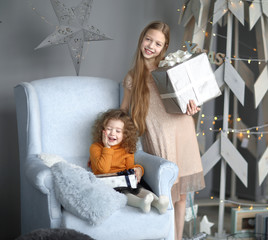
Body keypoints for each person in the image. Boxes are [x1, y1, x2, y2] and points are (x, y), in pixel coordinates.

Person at [120, 21, 205, 240]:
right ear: (141, 39)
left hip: (182, 130)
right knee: (165, 193)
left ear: (164, 48)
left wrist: (193, 106)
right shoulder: (132, 77)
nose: (151, 46)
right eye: (148, 39)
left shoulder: (169, 70)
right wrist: (114, 130)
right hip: (158, 136)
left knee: (182, 196)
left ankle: (176, 238)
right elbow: (123, 110)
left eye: (158, 43)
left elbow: (189, 98)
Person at [89, 109, 169, 214]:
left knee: (139, 188)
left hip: (124, 180)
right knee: (124, 192)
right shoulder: (95, 147)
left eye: (118, 131)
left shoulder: (126, 149)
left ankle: (158, 203)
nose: (112, 133)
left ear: (125, 134)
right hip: (107, 183)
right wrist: (107, 148)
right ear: (102, 130)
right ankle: (141, 203)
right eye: (109, 129)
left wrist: (139, 170)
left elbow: (130, 169)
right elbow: (103, 169)